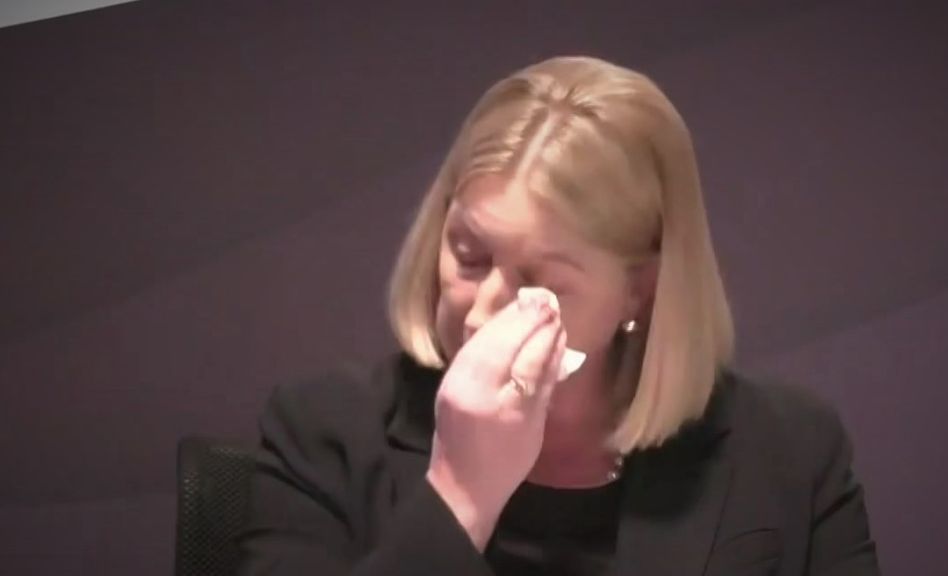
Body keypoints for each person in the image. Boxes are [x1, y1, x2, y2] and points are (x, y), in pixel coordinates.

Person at [238, 55, 880, 576]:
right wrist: (461, 495)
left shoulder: (791, 452)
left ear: (640, 290)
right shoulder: (323, 434)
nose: (482, 314)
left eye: (541, 283)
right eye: (468, 255)